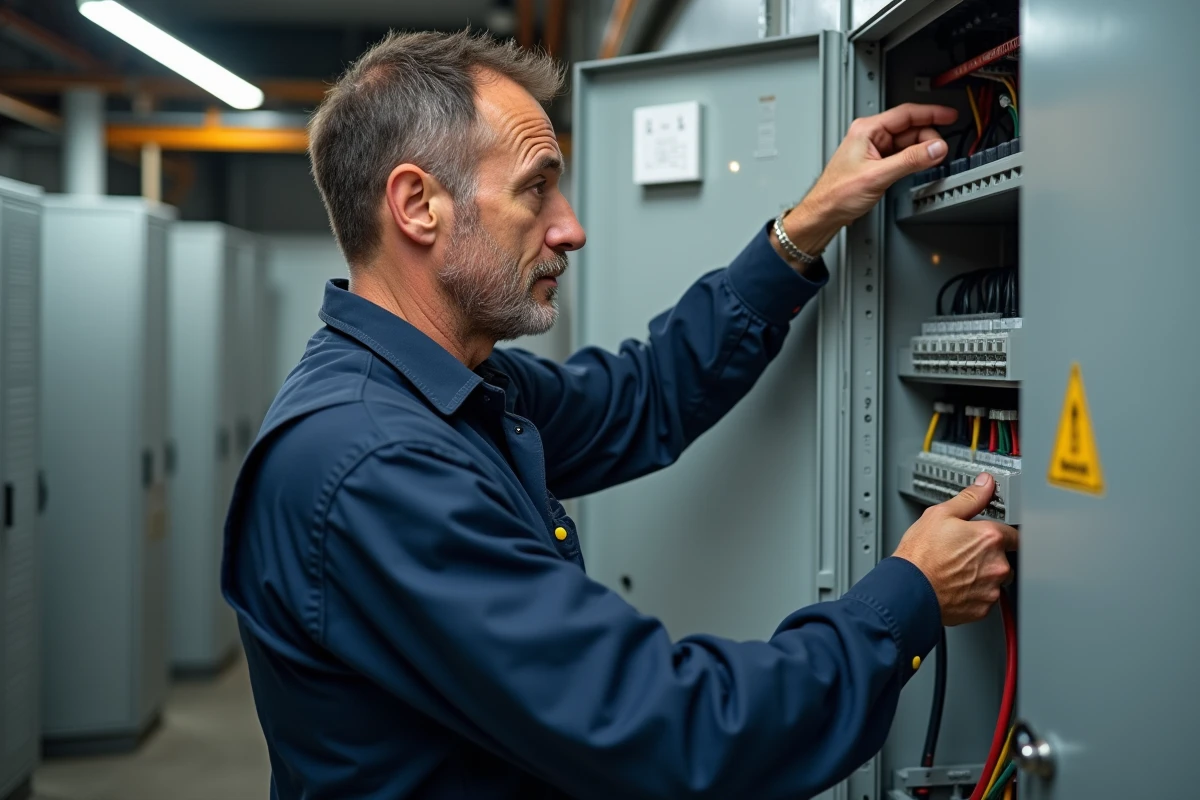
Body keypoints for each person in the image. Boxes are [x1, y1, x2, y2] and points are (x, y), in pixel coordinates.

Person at [223, 29, 1017, 800]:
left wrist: (805, 226)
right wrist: (911, 595)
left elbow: (642, 396)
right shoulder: (376, 464)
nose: (570, 227)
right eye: (536, 187)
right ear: (418, 205)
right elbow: (678, 732)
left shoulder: (447, 393)